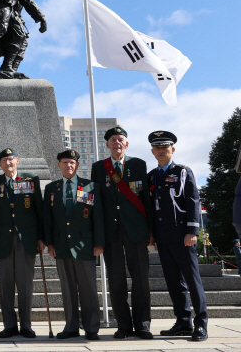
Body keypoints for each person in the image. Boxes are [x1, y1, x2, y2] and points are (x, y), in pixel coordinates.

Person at [90, 126, 153, 339]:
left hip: (136, 230)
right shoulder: (99, 168)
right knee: (116, 280)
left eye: (121, 139)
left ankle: (143, 324)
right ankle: (124, 325)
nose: (117, 143)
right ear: (107, 145)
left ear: (126, 144)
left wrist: (150, 230)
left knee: (141, 279)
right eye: (113, 140)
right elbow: (96, 204)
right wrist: (98, 236)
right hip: (111, 232)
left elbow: (146, 200)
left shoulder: (138, 165)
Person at [148, 131, 208, 341]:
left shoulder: (183, 172)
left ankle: (201, 323)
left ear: (173, 149)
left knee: (193, 281)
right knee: (174, 283)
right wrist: (152, 234)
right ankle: (183, 321)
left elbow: (193, 201)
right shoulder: (151, 176)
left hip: (184, 236)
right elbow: (151, 208)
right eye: (158, 147)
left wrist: (192, 231)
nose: (162, 150)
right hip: (163, 238)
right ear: (153, 151)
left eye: (166, 146)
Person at [44, 150, 104, 340]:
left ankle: (91, 327)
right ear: (58, 165)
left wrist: (99, 243)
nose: (68, 165)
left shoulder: (89, 186)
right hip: (61, 246)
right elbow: (48, 220)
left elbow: (98, 217)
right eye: (65, 162)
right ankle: (71, 327)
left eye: (72, 162)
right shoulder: (51, 188)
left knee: (88, 289)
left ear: (77, 165)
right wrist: (50, 244)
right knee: (67, 290)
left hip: (85, 246)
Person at [0, 148, 44, 339]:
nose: (8, 163)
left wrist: (41, 237)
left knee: (25, 284)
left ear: (17, 160)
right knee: (5, 285)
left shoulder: (30, 179)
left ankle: (26, 325)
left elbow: (39, 210)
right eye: (4, 160)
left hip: (26, 240)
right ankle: (9, 325)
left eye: (11, 159)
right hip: (2, 240)